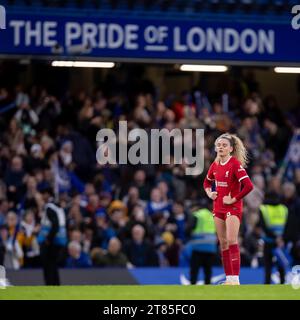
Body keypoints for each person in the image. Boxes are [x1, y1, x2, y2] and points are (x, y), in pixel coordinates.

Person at [203, 133, 254, 285]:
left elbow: (248, 186)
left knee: (232, 240)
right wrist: (210, 193)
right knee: (223, 242)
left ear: (231, 149)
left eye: (224, 145)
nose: (221, 148)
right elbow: (206, 182)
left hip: (232, 207)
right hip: (218, 207)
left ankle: (235, 279)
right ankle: (229, 279)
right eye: (218, 145)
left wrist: (233, 198)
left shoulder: (234, 164)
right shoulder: (215, 165)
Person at [257, 192, 289, 284]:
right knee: (281, 266)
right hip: (281, 241)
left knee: (268, 266)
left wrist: (275, 237)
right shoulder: (284, 209)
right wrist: (281, 238)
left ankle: (267, 285)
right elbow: (289, 226)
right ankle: (282, 284)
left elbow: (263, 226)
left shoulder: (263, 209)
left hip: (268, 241)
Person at [38, 188, 67, 285]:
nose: (42, 197)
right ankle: (55, 285)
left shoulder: (49, 207)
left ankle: (50, 284)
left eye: (43, 194)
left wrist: (48, 239)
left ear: (47, 194)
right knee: (53, 265)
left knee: (48, 265)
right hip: (59, 241)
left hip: (52, 242)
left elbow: (55, 224)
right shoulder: (58, 207)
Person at [187, 201, 217, 285]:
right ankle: (208, 290)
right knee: (208, 272)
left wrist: (189, 234)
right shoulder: (212, 216)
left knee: (194, 271)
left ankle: (193, 288)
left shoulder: (197, 215)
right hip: (210, 248)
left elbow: (189, 228)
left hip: (198, 248)